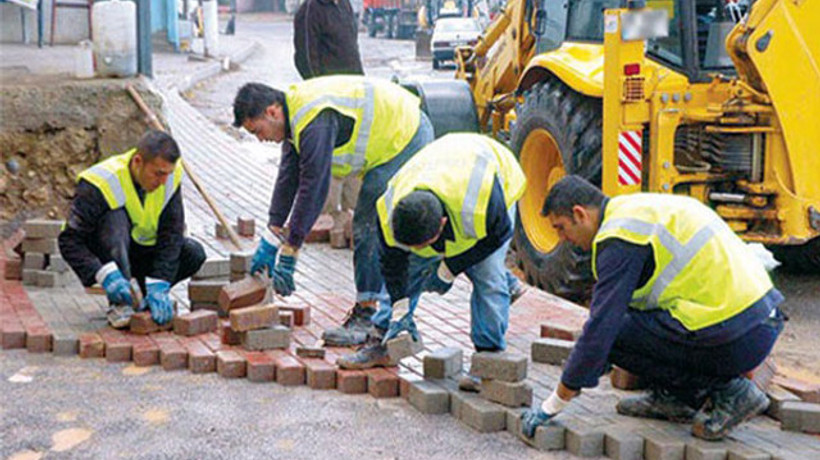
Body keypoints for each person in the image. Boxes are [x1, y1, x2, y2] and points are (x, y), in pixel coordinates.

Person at [520, 175, 784, 441]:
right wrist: (588, 363)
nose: (563, 238)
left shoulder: (619, 238)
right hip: (760, 320)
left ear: (580, 214)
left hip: (738, 336)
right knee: (625, 322)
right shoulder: (634, 211)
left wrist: (554, 403)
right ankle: (678, 399)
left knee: (615, 335)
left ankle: (731, 392)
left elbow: (602, 328)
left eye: (561, 228)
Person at [232, 76, 434, 347]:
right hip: (392, 138)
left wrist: (291, 250)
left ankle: (367, 313)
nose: (260, 139)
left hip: (405, 135)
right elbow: (288, 176)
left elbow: (314, 184)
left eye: (257, 130)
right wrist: (272, 233)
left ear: (272, 111)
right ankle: (498, 277)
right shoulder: (294, 119)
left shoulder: (314, 118)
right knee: (370, 218)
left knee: (369, 221)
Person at [337, 133, 526, 376]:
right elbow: (393, 266)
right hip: (440, 164)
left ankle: (488, 358)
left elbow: (498, 236)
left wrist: (448, 269)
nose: (418, 251)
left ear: (442, 224)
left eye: (423, 244)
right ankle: (383, 340)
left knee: (487, 275)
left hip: (496, 174)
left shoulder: (479, 202)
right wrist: (400, 307)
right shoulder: (390, 209)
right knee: (413, 264)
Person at [59, 130, 206, 328]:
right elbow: (69, 240)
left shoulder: (169, 178)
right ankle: (120, 300)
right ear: (138, 161)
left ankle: (143, 296)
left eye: (167, 174)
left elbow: (171, 234)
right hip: (110, 257)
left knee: (193, 252)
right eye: (158, 174)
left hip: (141, 254)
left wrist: (160, 281)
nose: (163, 181)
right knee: (115, 219)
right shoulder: (101, 181)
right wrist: (101, 273)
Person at [293, 0, 364, 80]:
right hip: (328, 86)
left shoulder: (344, 4)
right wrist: (316, 84)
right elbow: (305, 56)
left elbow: (352, 45)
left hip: (353, 82)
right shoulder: (311, 8)